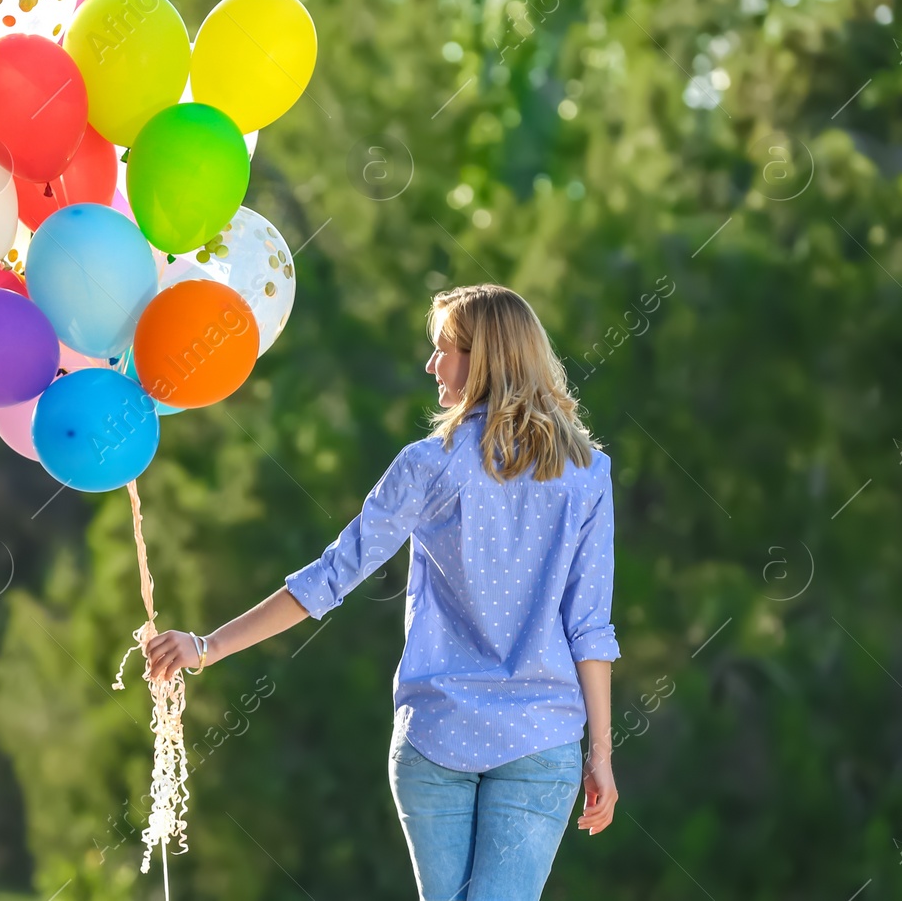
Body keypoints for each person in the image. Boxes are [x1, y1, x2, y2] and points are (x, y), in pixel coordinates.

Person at [144, 284, 620, 900]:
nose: (431, 366)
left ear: (487, 360)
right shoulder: (588, 474)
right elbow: (590, 629)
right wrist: (601, 755)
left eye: (445, 349)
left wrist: (207, 646)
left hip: (435, 733)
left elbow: (329, 578)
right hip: (542, 737)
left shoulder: (429, 463)